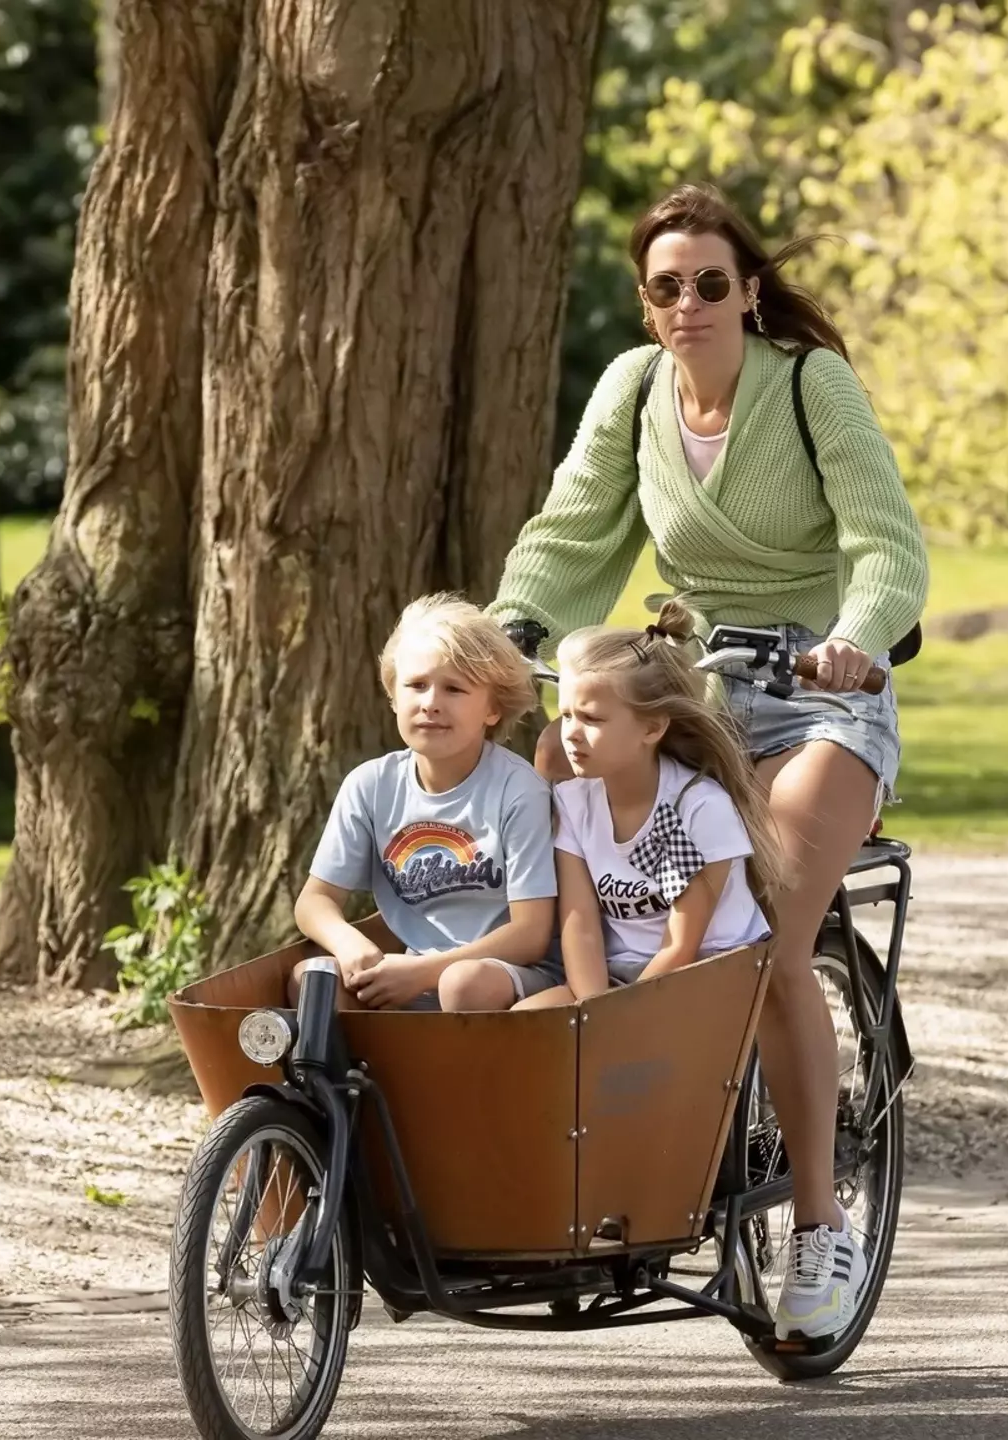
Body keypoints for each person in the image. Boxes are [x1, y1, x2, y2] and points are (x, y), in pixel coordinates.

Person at [488, 182, 929, 1343]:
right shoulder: (634, 394)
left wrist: (855, 640)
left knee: (766, 928)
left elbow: (886, 542)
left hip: (822, 703)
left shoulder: (806, 385)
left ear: (748, 292)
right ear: (648, 308)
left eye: (712, 283)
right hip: (702, 700)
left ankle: (823, 1228)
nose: (690, 303)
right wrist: (510, 631)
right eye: (667, 287)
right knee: (551, 770)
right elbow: (574, 528)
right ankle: (564, 1091)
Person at [292, 594, 558, 1013]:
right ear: (394, 698)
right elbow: (314, 901)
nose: (431, 702)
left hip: (502, 975)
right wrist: (350, 944)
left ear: (492, 708)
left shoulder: (518, 791)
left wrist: (424, 973)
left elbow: (530, 934)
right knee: (312, 979)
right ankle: (360, 1077)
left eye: (454, 688)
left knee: (461, 984)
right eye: (416, 685)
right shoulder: (371, 786)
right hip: (407, 970)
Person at [511, 606, 781, 1011]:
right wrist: (592, 1008)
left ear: (652, 728)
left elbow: (681, 944)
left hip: (702, 972)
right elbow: (579, 921)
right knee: (525, 1023)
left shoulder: (695, 807)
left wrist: (615, 1019)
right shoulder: (573, 800)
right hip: (617, 973)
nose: (571, 734)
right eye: (566, 715)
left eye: (591, 718)